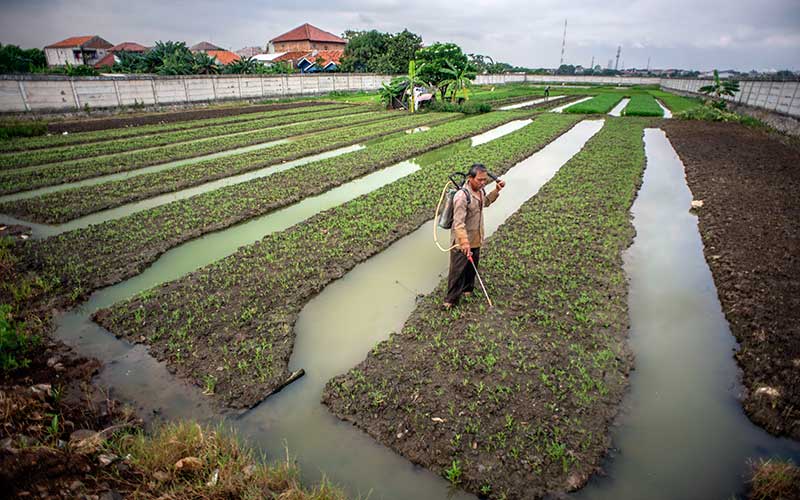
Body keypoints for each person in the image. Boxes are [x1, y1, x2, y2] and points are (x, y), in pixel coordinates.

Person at [443, 163, 506, 309]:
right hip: (462, 241)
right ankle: (450, 300)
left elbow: (487, 202)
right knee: (457, 270)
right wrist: (464, 243)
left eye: (485, 180)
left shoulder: (480, 192)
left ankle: (467, 289)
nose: (483, 183)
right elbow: (458, 224)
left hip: (476, 237)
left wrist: (496, 190)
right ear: (470, 178)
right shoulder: (462, 196)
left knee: (472, 266)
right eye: (480, 180)